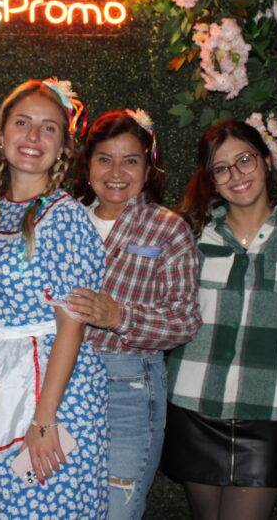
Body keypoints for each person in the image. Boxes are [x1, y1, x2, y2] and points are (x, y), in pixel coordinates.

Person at [0, 79, 109, 519]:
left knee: (32, 502)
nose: (33, 137)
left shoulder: (64, 217)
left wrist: (45, 420)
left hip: (50, 403)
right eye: (23, 123)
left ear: (64, 145)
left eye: (49, 128)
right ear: (2, 133)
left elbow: (72, 325)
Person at [162, 120, 277, 520]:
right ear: (211, 181)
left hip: (269, 410)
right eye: (221, 168)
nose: (236, 175)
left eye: (245, 160)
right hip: (194, 404)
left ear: (266, 160)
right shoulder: (189, 234)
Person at [67, 109, 200, 520]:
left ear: (148, 165)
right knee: (56, 503)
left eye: (130, 160)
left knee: (117, 510)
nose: (116, 172)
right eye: (105, 158)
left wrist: (118, 316)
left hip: (128, 386)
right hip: (59, 383)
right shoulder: (64, 219)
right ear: (87, 165)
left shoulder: (167, 228)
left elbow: (184, 321)